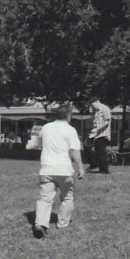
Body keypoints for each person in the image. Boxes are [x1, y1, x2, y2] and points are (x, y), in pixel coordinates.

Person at [33, 104, 86, 238]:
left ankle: (41, 223)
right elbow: (74, 150)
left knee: (45, 198)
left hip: (46, 169)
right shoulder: (70, 130)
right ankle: (62, 224)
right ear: (69, 115)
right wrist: (80, 167)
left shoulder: (45, 128)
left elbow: (39, 144)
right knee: (67, 197)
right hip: (64, 169)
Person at [87, 97, 112, 174]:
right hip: (96, 134)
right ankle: (95, 164)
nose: (92, 107)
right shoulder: (96, 111)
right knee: (91, 149)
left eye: (92, 105)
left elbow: (107, 122)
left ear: (97, 102)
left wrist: (97, 129)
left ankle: (104, 170)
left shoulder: (105, 109)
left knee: (102, 153)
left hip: (103, 134)